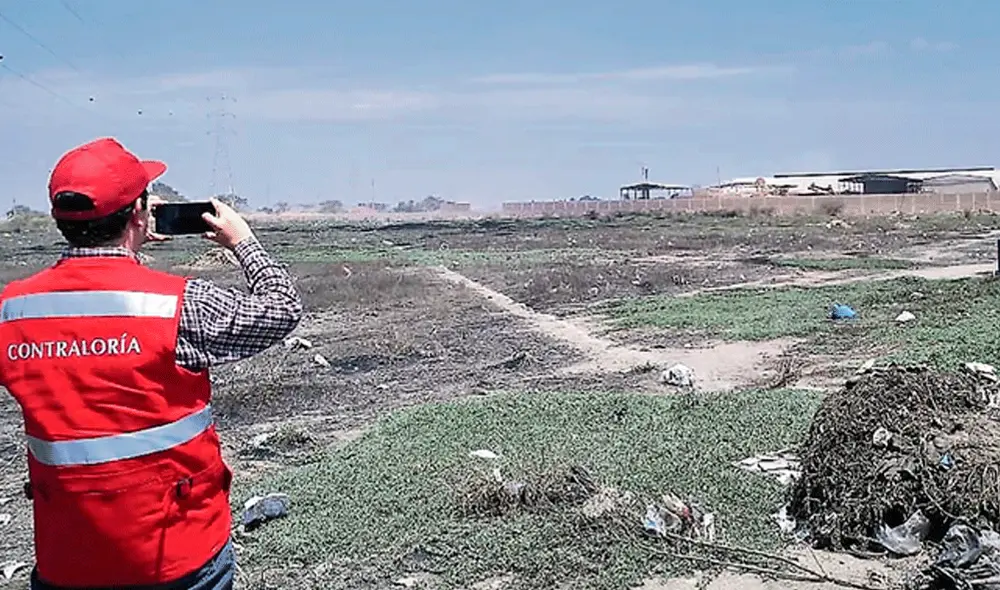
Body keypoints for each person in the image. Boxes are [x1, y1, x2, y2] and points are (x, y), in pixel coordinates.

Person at [0, 137, 303, 589]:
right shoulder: (178, 305)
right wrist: (243, 241)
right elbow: (282, 308)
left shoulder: (13, 310)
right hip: (178, 552)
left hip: (67, 557)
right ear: (139, 214)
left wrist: (130, 239)